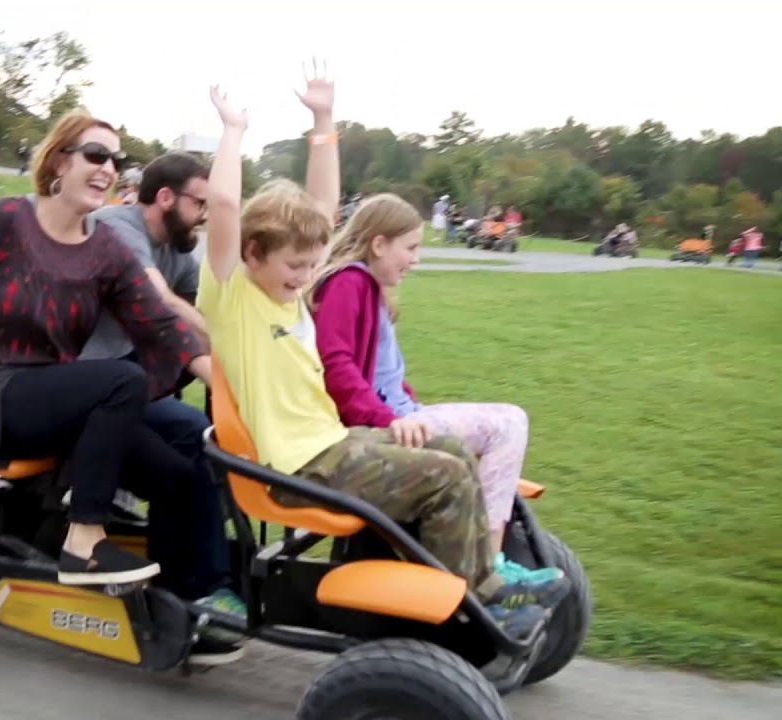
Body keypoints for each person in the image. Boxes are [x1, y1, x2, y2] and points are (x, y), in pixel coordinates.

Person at [196, 70, 568, 637]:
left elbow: (322, 204)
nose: (305, 279)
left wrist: (323, 121)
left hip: (335, 444)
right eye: (295, 267)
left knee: (453, 453)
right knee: (444, 477)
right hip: (299, 466)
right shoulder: (236, 297)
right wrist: (233, 131)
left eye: (310, 264)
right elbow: (223, 202)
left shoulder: (288, 291)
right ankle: (478, 600)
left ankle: (469, 583)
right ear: (252, 252)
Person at [0, 108, 218, 594]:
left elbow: (157, 321)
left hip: (59, 402)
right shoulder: (4, 221)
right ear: (60, 161)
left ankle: (185, 604)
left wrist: (229, 384)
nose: (108, 168)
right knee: (119, 379)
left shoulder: (104, 247)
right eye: (96, 154)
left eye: (115, 158)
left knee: (180, 474)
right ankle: (83, 540)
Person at [306, 192, 565, 587]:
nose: (415, 259)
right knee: (509, 423)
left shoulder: (365, 287)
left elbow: (381, 372)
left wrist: (402, 402)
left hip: (397, 413)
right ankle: (491, 565)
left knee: (499, 429)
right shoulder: (349, 283)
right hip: (382, 423)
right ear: (378, 244)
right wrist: (391, 418)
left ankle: (482, 558)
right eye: (409, 248)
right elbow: (337, 366)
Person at [78, 151, 246, 626]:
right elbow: (162, 302)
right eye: (200, 202)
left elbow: (200, 320)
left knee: (207, 438)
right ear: (166, 198)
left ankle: (193, 579)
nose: (206, 214)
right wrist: (228, 351)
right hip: (92, 388)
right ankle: (199, 589)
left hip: (131, 382)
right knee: (194, 441)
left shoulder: (180, 245)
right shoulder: (117, 226)